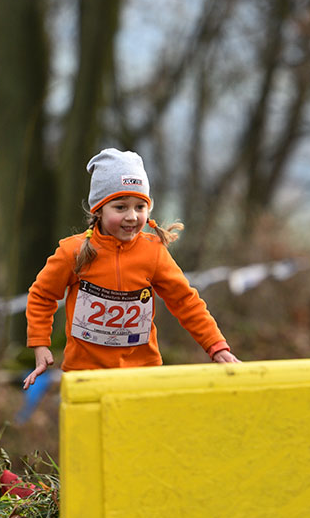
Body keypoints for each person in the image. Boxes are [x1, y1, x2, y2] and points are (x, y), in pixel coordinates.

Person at [23, 148, 240, 388]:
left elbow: (186, 301)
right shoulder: (73, 252)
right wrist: (39, 343)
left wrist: (216, 346)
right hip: (85, 374)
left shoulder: (154, 252)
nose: (132, 216)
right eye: (120, 207)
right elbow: (42, 295)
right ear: (99, 210)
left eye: (140, 207)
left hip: (143, 373)